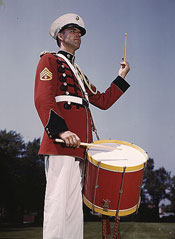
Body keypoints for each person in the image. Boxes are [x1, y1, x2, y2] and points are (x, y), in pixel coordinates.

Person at [34, 13, 130, 239]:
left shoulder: (79, 74)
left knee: (74, 209)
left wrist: (121, 77)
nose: (78, 35)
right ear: (60, 35)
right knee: (58, 204)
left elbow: (103, 101)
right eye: (73, 30)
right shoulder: (49, 60)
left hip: (81, 146)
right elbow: (43, 98)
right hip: (60, 142)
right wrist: (61, 130)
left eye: (80, 32)